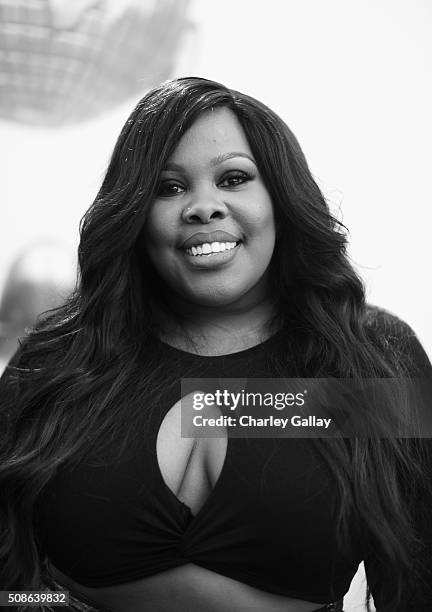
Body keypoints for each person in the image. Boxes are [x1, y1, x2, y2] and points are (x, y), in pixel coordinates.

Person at [0, 77, 431, 612]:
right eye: (169, 187)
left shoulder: (368, 358)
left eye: (233, 178)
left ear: (280, 199)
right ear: (134, 215)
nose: (204, 206)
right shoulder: (59, 357)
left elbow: (417, 579)